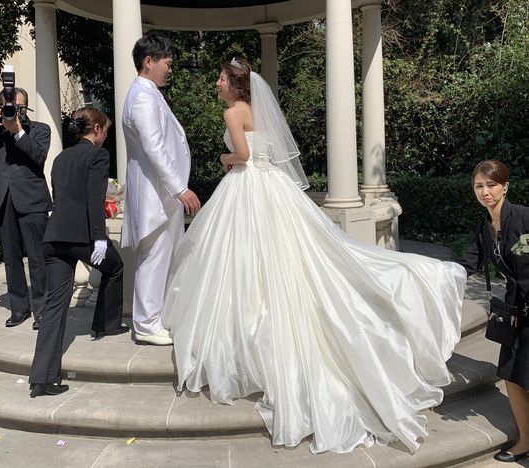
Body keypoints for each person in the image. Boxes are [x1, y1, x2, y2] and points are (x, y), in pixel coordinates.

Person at [163, 58, 467, 454]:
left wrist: (225, 159)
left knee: (243, 256)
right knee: (283, 252)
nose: (217, 83)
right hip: (273, 186)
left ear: (234, 84)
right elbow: (266, 150)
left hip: (248, 185)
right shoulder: (256, 109)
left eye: (221, 78)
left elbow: (244, 154)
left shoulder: (233, 111)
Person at [29, 107, 126, 398]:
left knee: (54, 306)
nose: (105, 135)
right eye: (105, 130)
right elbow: (94, 200)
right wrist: (99, 238)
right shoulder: (98, 155)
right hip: (82, 236)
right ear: (96, 129)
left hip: (54, 236)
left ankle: (42, 378)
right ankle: (106, 324)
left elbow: (60, 196)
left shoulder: (60, 158)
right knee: (115, 266)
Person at [121, 32, 201, 346]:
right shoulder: (142, 96)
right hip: (156, 194)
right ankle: (145, 324)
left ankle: (157, 318)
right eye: (167, 63)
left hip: (162, 194)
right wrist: (180, 188)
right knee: (154, 257)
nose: (170, 69)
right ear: (148, 61)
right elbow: (153, 147)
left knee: (164, 257)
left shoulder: (149, 93)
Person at [460, 160, 529, 463]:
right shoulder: (484, 230)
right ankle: (525, 440)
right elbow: (465, 266)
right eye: (479, 186)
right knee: (511, 376)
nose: (485, 191)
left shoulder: (525, 217)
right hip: (514, 312)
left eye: (491, 184)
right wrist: (426, 275)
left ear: (505, 187)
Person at [0, 87, 51, 329]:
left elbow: (38, 156)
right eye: (9, 106)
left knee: (38, 258)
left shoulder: (40, 130)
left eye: (18, 106)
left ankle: (43, 310)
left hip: (32, 202)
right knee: (11, 258)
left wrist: (17, 131)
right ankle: (19, 308)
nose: (14, 110)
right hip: (3, 201)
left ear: (25, 107)